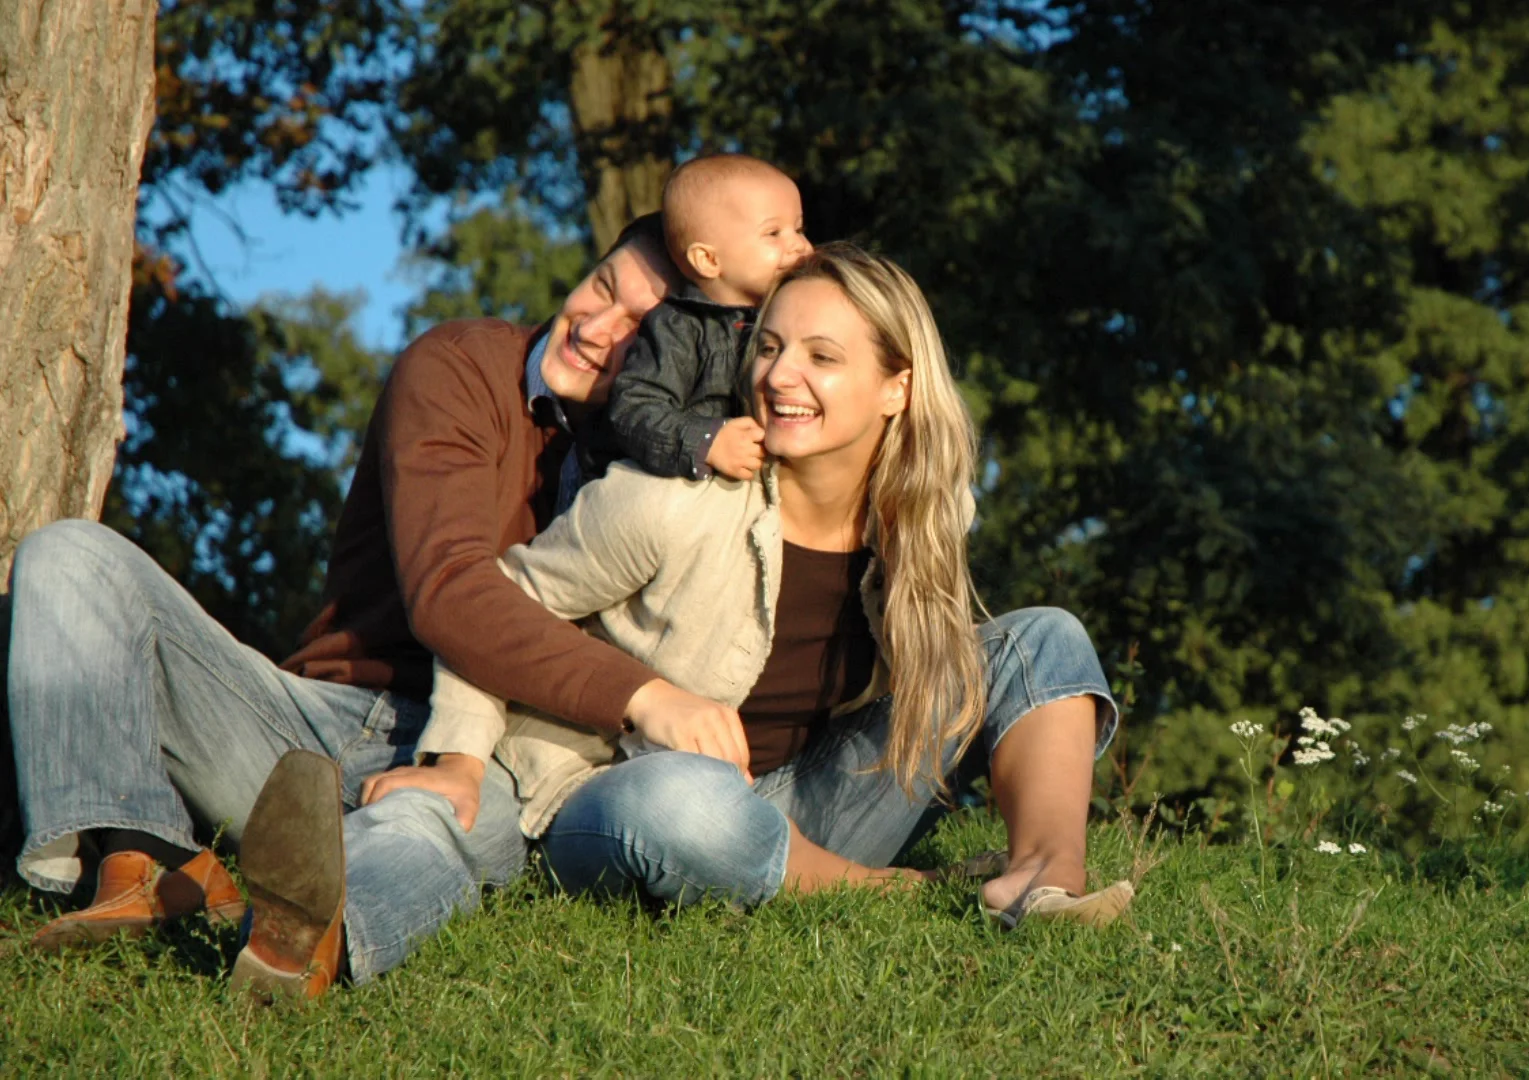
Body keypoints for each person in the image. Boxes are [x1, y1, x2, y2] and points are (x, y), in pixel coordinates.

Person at [6, 212, 679, 996]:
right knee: (69, 555)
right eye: (602, 288)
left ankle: (308, 935)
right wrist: (642, 697)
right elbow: (450, 591)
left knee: (443, 822)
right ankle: (144, 858)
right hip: (315, 714)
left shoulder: (665, 470)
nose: (598, 327)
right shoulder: (461, 365)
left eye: (639, 328)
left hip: (478, 751)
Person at [421, 243, 1135, 925]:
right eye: (769, 347)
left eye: (821, 356)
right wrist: (457, 760)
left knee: (1044, 638)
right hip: (619, 804)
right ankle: (891, 895)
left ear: (897, 387)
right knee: (687, 800)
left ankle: (1042, 884)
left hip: (800, 804)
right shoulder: (665, 502)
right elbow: (495, 612)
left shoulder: (929, 515)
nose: (779, 376)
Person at [595, 153, 811, 485]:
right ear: (708, 259)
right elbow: (633, 408)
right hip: (681, 497)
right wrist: (707, 441)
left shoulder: (792, 320)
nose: (799, 245)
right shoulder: (680, 327)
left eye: (798, 229)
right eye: (773, 233)